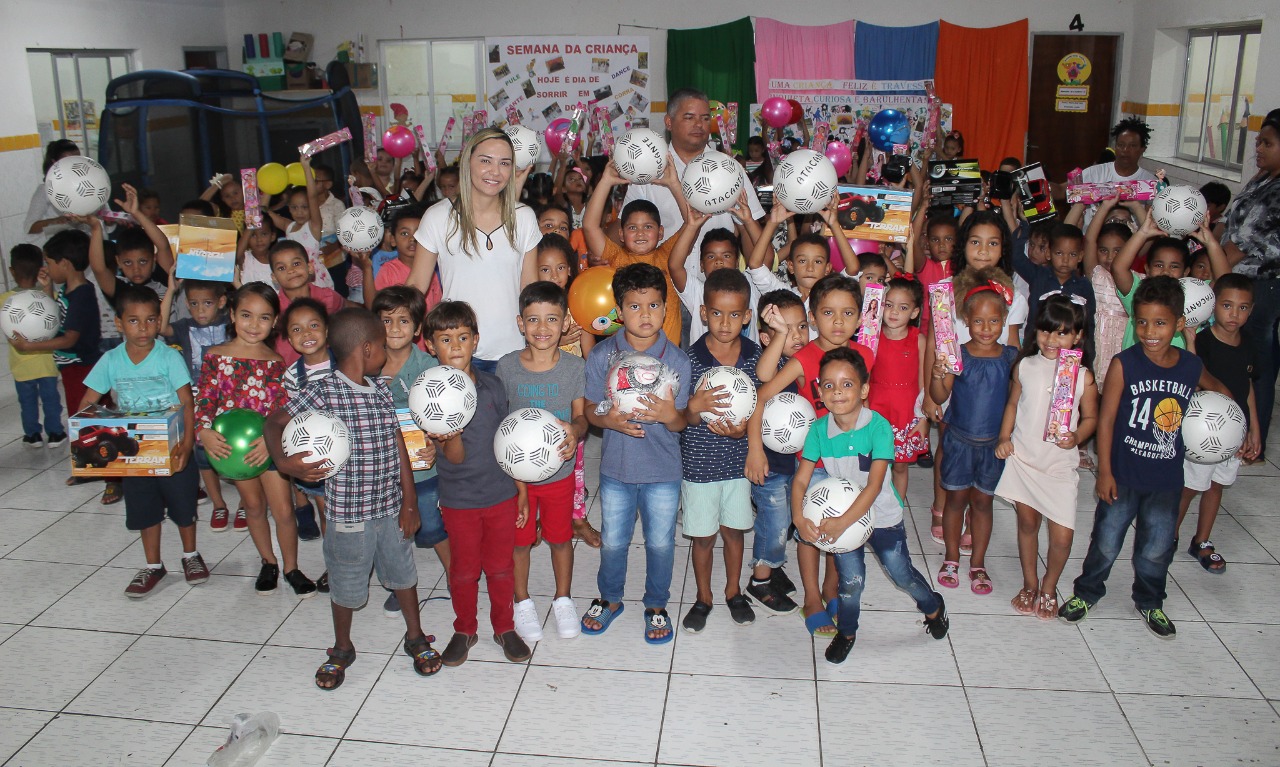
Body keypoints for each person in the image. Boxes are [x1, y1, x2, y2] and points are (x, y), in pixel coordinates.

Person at [266, 307, 443, 688]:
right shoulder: (324, 391)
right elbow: (275, 420)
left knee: (403, 574)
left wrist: (410, 502)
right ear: (366, 349)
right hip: (347, 514)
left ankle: (415, 636)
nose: (384, 352)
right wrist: (285, 462)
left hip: (390, 508)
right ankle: (342, 647)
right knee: (346, 581)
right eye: (380, 346)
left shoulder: (380, 389)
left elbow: (398, 445)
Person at [1060, 276, 1229, 638]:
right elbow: (1105, 421)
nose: (1149, 331)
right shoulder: (1125, 364)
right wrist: (1105, 470)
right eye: (1142, 322)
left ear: (1179, 324)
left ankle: (1150, 601)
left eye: (1160, 323)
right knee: (1105, 541)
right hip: (1122, 474)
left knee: (1156, 548)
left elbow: (1220, 392)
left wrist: (1240, 426)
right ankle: (1087, 592)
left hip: (1166, 480)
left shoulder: (1189, 366)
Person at [793, 347, 949, 663]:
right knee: (851, 584)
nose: (837, 392)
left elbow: (875, 485)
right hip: (844, 521)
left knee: (900, 573)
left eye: (847, 384)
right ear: (819, 392)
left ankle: (932, 606)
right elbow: (800, 481)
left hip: (882, 516)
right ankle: (847, 632)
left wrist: (841, 522)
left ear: (864, 389)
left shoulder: (878, 427)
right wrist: (798, 516)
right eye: (828, 385)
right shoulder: (818, 430)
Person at [751, 274, 873, 632]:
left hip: (850, 460)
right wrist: (755, 448)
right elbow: (762, 391)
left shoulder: (865, 354)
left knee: (839, 528)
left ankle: (831, 588)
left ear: (860, 317)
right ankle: (812, 598)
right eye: (828, 313)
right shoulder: (805, 356)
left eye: (848, 313)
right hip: (814, 462)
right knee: (810, 531)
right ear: (814, 316)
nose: (838, 322)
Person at [581, 264, 691, 645]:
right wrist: (608, 420)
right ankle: (610, 598)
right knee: (614, 540)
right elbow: (592, 407)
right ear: (618, 310)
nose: (646, 315)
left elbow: (681, 424)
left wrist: (669, 414)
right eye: (634, 306)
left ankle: (656, 604)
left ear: (666, 307)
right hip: (616, 469)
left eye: (654, 305)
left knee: (661, 542)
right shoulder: (602, 356)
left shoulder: (677, 361)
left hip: (663, 470)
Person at [81, 285, 206, 596]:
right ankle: (153, 565)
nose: (144, 328)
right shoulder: (110, 360)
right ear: (119, 323)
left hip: (174, 447)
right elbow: (88, 404)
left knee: (182, 504)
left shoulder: (168, 357)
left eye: (151, 320)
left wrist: (188, 445)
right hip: (134, 453)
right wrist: (86, 441)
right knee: (143, 508)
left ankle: (190, 555)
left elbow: (187, 403)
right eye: (134, 321)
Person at [425, 300, 530, 666]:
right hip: (460, 500)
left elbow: (508, 441)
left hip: (500, 493)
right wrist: (447, 435)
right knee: (465, 570)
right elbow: (454, 457)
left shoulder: (493, 386)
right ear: (430, 345)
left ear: (476, 341)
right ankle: (465, 629)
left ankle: (504, 626)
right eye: (445, 339)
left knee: (501, 567)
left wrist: (521, 490)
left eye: (463, 337)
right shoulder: (430, 396)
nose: (455, 346)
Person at [196, 283, 316, 597]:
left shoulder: (276, 362)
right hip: (232, 449)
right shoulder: (215, 356)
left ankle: (291, 567)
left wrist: (270, 443)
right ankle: (268, 561)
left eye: (264, 318)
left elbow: (280, 410)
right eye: (246, 315)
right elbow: (205, 400)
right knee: (252, 505)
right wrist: (204, 432)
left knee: (285, 510)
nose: (254, 324)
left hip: (267, 448)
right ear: (232, 314)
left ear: (275, 321)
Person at [995, 295, 1099, 620]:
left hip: (1059, 466)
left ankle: (1050, 585)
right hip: (1024, 459)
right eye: (1045, 331)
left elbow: (1091, 418)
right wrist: (1003, 437)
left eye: (1062, 333)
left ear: (1077, 335)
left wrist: (1077, 438)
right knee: (1027, 523)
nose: (1051, 340)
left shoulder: (1082, 376)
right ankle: (1029, 584)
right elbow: (1013, 404)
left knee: (1063, 535)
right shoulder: (1025, 366)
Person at [497, 281, 587, 643]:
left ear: (565, 322)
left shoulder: (574, 367)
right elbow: (499, 421)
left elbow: (582, 419)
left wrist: (574, 431)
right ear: (520, 323)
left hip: (559, 475)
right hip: (516, 479)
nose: (542, 328)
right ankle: (521, 602)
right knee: (519, 542)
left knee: (560, 539)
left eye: (552, 319)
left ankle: (563, 599)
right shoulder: (506, 368)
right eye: (533, 320)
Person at [410, 128, 540, 372]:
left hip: (514, 352)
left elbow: (530, 288)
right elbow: (417, 283)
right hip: (457, 351)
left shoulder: (524, 217)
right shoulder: (438, 216)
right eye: (485, 161)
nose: (495, 171)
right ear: (468, 161)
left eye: (504, 163)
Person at [680, 268, 760, 632]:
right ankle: (703, 596)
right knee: (702, 536)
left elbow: (763, 406)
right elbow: (682, 418)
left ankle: (733, 591)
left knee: (733, 531)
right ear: (702, 312)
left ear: (747, 316)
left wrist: (745, 431)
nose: (725, 323)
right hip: (698, 466)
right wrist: (694, 409)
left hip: (738, 465)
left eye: (734, 315)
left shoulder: (756, 358)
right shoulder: (690, 360)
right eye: (716, 313)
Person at [929, 273, 1019, 595]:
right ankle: (951, 558)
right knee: (955, 501)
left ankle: (978, 563)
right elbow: (939, 397)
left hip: (992, 447)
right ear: (966, 320)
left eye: (994, 321)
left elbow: (1017, 398)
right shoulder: (958, 357)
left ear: (1004, 320)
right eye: (978, 321)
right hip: (958, 441)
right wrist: (938, 375)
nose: (986, 328)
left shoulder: (1010, 359)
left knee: (983, 503)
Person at [1177, 273, 1262, 572]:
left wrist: (1254, 428)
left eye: (1242, 308)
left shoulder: (1250, 343)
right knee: (1190, 486)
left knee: (1217, 485)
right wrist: (1190, 339)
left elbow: (1248, 386)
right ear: (1213, 306)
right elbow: (1193, 374)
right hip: (1204, 432)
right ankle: (1168, 535)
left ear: (1251, 310)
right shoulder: (1203, 340)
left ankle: (1201, 541)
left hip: (1233, 434)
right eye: (1227, 305)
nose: (1234, 314)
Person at [373, 286, 449, 611]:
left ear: (418, 329)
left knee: (432, 526)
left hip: (422, 469)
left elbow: (445, 415)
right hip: (384, 470)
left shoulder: (428, 367)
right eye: (386, 321)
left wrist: (435, 445)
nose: (394, 329)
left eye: (403, 321)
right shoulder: (367, 366)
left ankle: (457, 573)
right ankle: (399, 583)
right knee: (392, 531)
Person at [624, 88, 764, 257]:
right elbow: (625, 229)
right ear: (669, 122)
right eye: (689, 117)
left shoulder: (730, 168)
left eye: (705, 118)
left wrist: (753, 274)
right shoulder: (648, 170)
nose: (699, 124)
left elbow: (748, 230)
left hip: (718, 277)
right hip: (666, 276)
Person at [13, 231, 101, 482]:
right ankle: (96, 462)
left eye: (49, 263)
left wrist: (31, 346)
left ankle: (90, 467)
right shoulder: (69, 290)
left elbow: (69, 338)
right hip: (74, 366)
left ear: (65, 263)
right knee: (86, 413)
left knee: (83, 415)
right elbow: (59, 319)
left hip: (81, 366)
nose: (47, 268)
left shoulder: (81, 294)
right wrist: (48, 287)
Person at [743, 290, 807, 620]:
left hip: (799, 463)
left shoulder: (809, 358)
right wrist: (754, 452)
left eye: (802, 327)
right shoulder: (770, 360)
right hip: (768, 464)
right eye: (786, 330)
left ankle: (774, 560)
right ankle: (760, 581)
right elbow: (764, 380)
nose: (797, 336)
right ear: (766, 336)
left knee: (788, 523)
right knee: (774, 522)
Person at [1221, 109, 1280, 456]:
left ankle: (1252, 444)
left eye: (1268, 143)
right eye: (1259, 141)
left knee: (1256, 364)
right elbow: (1230, 221)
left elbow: (1242, 241)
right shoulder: (1264, 178)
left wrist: (1211, 270)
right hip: (1239, 279)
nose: (1258, 148)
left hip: (1262, 286)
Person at [532, 234, 598, 545]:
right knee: (535, 451)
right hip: (537, 393)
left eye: (560, 267)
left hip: (571, 394)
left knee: (576, 457)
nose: (554, 275)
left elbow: (587, 353)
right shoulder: (531, 308)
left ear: (570, 269)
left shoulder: (578, 305)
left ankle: (578, 517)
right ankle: (538, 515)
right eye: (545, 269)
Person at [583, 161, 688, 345]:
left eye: (648, 227)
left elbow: (691, 222)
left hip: (667, 360)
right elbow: (590, 226)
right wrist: (606, 181)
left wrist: (674, 184)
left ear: (661, 232)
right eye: (632, 227)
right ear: (621, 234)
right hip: (625, 360)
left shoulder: (669, 255)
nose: (640, 233)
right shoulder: (616, 257)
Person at [159, 275, 232, 530]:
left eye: (207, 303)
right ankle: (219, 504)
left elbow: (250, 308)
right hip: (200, 399)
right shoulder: (183, 327)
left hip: (232, 397)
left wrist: (238, 280)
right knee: (202, 455)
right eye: (194, 303)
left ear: (222, 302)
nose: (200, 310)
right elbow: (161, 326)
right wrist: (171, 290)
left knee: (234, 446)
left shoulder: (231, 322)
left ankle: (247, 504)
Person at [867, 273, 929, 498]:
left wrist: (923, 418)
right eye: (889, 305)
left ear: (914, 313)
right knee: (876, 464)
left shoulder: (919, 340)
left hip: (906, 411)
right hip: (876, 408)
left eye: (903, 308)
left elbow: (924, 382)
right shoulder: (871, 336)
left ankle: (897, 508)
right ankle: (871, 507)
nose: (894, 312)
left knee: (901, 466)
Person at [669, 200, 764, 343]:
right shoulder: (698, 292)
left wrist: (749, 221)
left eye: (726, 256)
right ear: (701, 265)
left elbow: (765, 259)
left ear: (737, 262)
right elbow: (674, 266)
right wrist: (691, 227)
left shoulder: (749, 286)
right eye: (711, 256)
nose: (718, 261)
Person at [280, 298, 334, 542]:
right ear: (290, 340)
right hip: (316, 454)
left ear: (326, 329)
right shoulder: (292, 376)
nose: (306, 334)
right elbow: (293, 418)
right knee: (327, 512)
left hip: (349, 449)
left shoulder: (345, 363)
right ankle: (334, 563)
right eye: (297, 329)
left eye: (313, 325)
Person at [5, 245, 65, 448]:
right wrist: (47, 287)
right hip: (46, 361)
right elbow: (56, 317)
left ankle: (32, 434)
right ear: (42, 267)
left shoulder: (5, 300)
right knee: (51, 400)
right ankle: (55, 432)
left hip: (21, 364)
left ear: (12, 270)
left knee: (27, 402)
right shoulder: (45, 297)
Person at [1061, 118, 1158, 228]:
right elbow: (1066, 192)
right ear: (1115, 147)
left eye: (1132, 146)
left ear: (1142, 149)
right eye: (1121, 145)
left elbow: (1150, 227)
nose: (1125, 150)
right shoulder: (1092, 173)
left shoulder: (1150, 183)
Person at [269, 240, 350, 364]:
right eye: (282, 268)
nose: (290, 271)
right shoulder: (273, 308)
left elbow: (350, 311)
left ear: (310, 267)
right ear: (274, 277)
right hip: (289, 372)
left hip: (329, 366)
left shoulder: (327, 296)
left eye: (296, 263)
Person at [1083, 200, 1133, 386]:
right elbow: (1089, 239)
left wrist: (1135, 206)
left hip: (1123, 342)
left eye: (1118, 251)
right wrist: (1104, 207)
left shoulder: (1137, 279)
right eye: (1104, 250)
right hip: (1096, 340)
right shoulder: (1096, 274)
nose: (1110, 257)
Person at [1013, 223, 1096, 323]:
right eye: (1059, 253)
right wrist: (1026, 226)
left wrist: (1087, 339)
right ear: (1048, 253)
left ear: (1080, 256)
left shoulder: (1084, 285)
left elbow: (1089, 320)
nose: (1065, 260)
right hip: (1037, 338)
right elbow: (1015, 257)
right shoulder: (1038, 275)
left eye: (1072, 254)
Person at [23, 139, 84, 247]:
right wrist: (56, 220)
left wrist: (108, 220)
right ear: (54, 162)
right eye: (68, 162)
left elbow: (103, 212)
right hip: (61, 249)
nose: (74, 166)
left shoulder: (88, 185)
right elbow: (30, 227)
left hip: (86, 245)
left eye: (77, 160)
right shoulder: (44, 190)